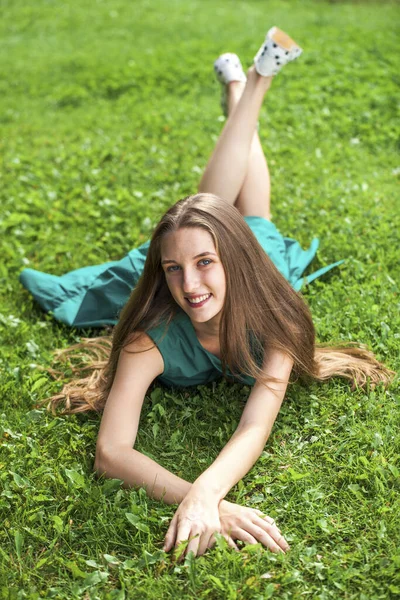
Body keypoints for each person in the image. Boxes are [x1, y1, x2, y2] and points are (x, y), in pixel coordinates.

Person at [19, 28, 394, 559]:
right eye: (173, 269)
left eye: (203, 265)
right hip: (226, 253)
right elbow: (110, 451)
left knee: (241, 217)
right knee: (231, 214)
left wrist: (205, 494)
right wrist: (201, 500)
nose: (189, 286)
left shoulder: (277, 318)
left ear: (232, 263)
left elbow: (256, 424)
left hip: (252, 268)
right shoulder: (151, 337)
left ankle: (251, 83)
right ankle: (248, 84)